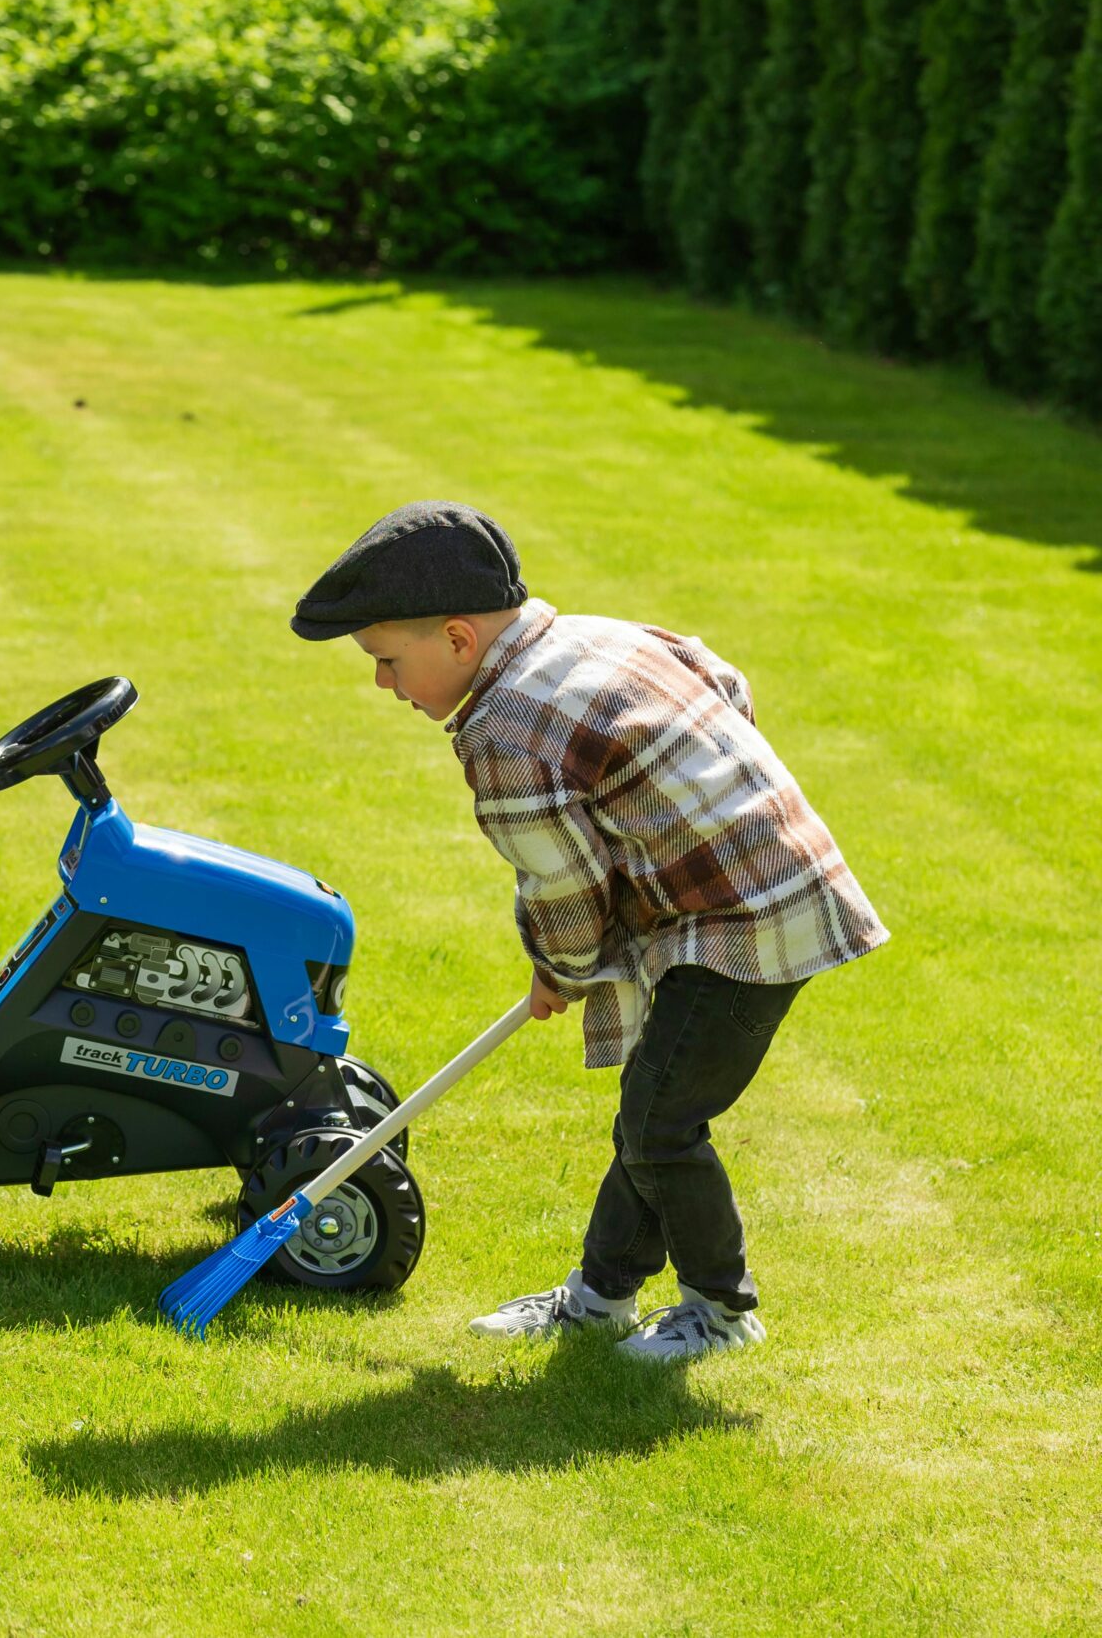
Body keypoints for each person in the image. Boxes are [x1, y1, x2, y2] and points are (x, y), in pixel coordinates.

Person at [291, 502, 886, 1360]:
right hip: (750, 887)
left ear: (459, 638)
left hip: (750, 922)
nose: (384, 684)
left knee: (660, 1126)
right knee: (651, 1110)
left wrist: (562, 967)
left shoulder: (505, 729)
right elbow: (721, 680)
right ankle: (601, 1299)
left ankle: (722, 1311)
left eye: (387, 661)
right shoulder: (601, 636)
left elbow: (563, 884)